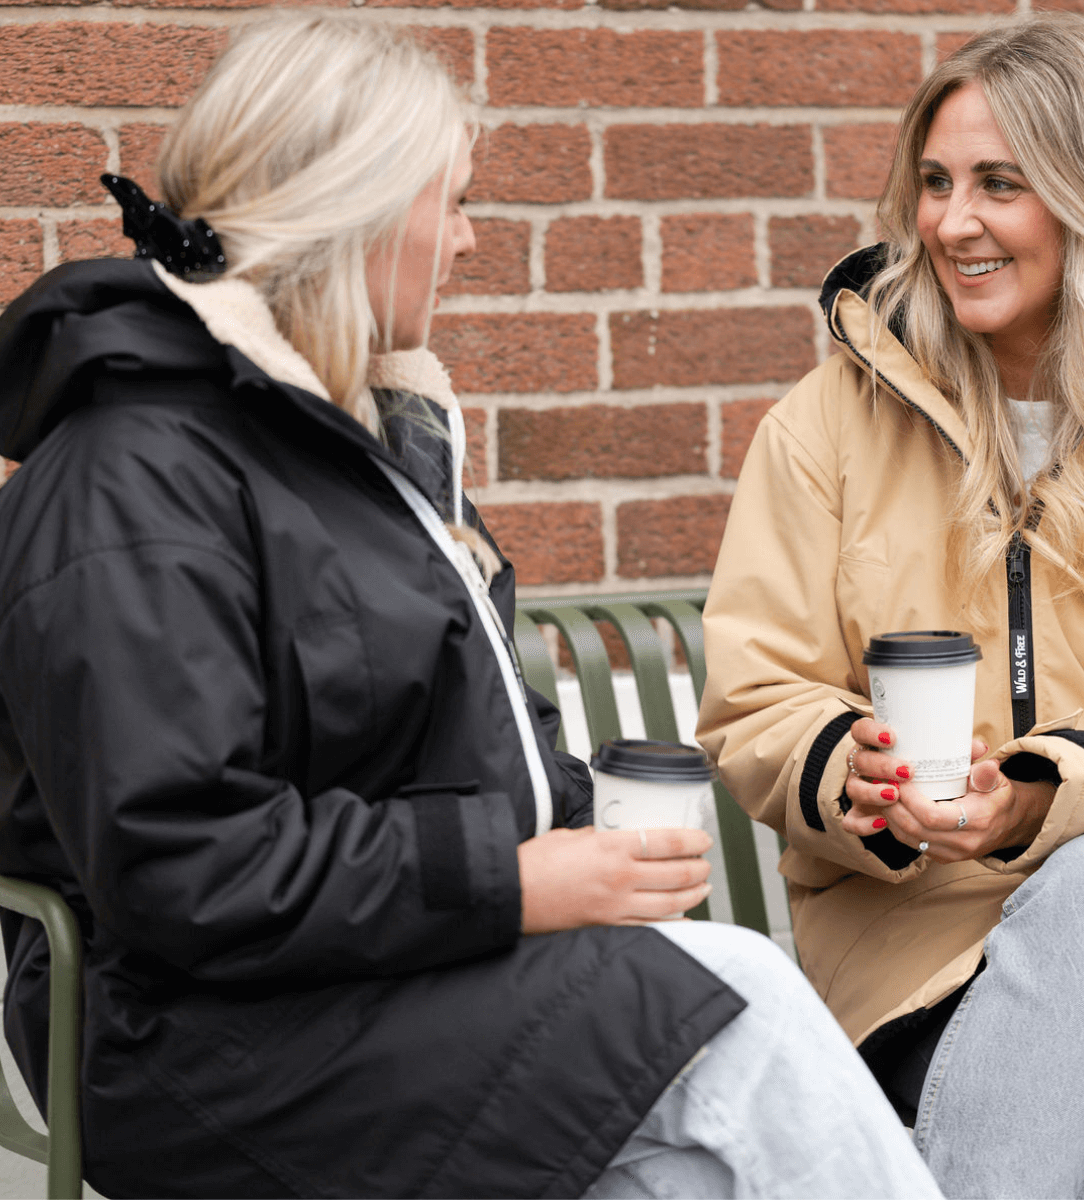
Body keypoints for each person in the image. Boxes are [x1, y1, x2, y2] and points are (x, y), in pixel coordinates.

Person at [0, 12, 942, 1199]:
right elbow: (182, 867)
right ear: (355, 212)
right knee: (729, 997)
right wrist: (523, 880)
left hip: (383, 977)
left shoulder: (360, 449)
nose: (471, 240)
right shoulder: (130, 479)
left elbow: (460, 737)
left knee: (685, 1174)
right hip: (190, 1040)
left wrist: (582, 835)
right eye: (450, 202)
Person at [697, 14, 1084, 1200]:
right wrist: (851, 775)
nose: (950, 223)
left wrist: (1047, 791)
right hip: (919, 941)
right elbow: (758, 693)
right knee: (1042, 1105)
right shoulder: (828, 421)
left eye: (999, 185)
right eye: (932, 182)